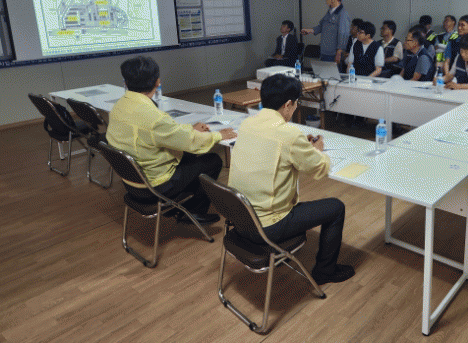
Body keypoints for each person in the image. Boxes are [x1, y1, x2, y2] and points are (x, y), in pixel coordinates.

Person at [228, 74, 355, 284]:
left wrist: (302, 146)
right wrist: (318, 150)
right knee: (336, 207)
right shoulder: (289, 135)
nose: (295, 108)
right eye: (296, 104)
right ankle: (325, 271)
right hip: (266, 226)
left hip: (240, 218)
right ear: (288, 104)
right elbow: (320, 168)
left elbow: (271, 150)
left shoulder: (247, 124)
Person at [106, 56, 237, 224]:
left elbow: (167, 133)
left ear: (125, 82)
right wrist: (219, 135)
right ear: (158, 82)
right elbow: (190, 142)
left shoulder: (118, 107)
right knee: (213, 161)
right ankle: (192, 212)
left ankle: (183, 205)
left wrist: (190, 129)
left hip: (132, 182)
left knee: (190, 157)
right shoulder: (154, 118)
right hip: (156, 186)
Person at [301, 0, 350, 64]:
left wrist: (339, 52)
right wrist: (310, 30)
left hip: (333, 54)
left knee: (332, 72)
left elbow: (343, 34)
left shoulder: (342, 14)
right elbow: (322, 26)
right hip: (324, 51)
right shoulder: (330, 12)